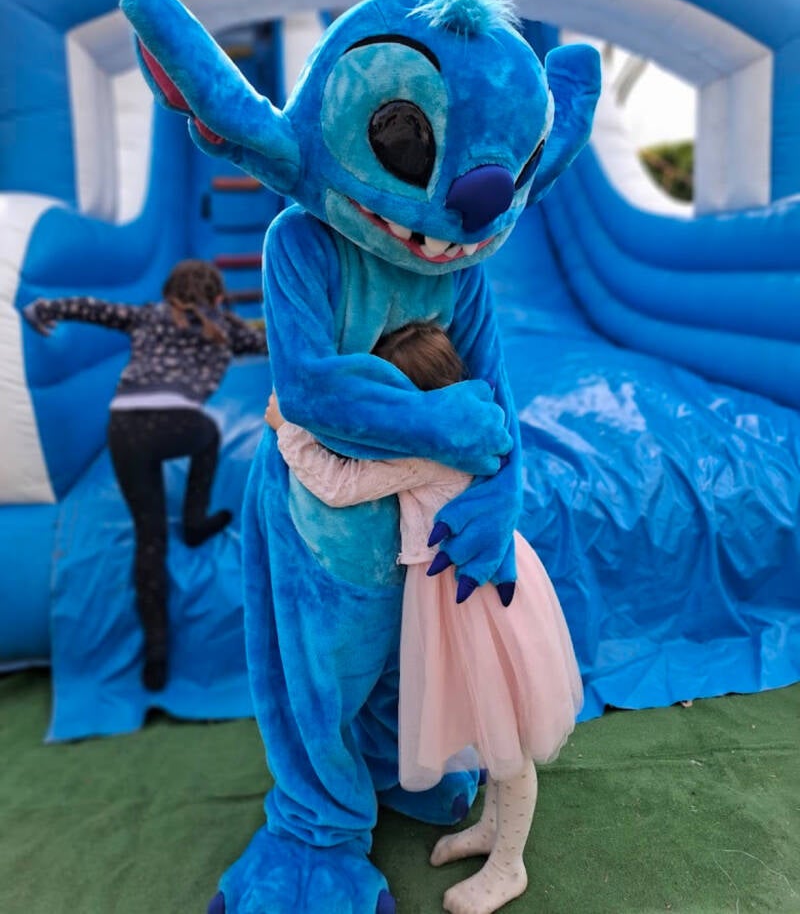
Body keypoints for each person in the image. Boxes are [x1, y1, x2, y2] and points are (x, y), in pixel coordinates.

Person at [264, 320, 583, 914]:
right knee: (491, 725)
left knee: (508, 740)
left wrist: (290, 431)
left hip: (473, 601)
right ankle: (493, 829)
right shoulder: (468, 420)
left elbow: (341, 485)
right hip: (469, 592)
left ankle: (509, 865)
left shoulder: (427, 448)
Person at [23, 258, 269, 692]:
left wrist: (44, 308)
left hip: (125, 428)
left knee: (148, 537)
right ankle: (194, 519)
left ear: (169, 294)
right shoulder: (223, 327)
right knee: (207, 434)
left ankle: (156, 656)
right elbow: (271, 342)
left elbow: (93, 308)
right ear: (217, 298)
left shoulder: (147, 315)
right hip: (178, 424)